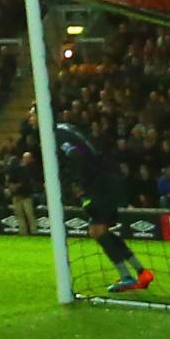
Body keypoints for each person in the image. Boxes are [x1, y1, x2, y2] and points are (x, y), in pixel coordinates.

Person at [56, 120, 153, 294]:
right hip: (107, 181)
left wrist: (81, 185)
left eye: (33, 114)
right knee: (102, 231)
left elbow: (78, 155)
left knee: (97, 231)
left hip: (100, 186)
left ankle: (127, 277)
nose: (31, 118)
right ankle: (141, 272)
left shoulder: (58, 134)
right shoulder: (68, 128)